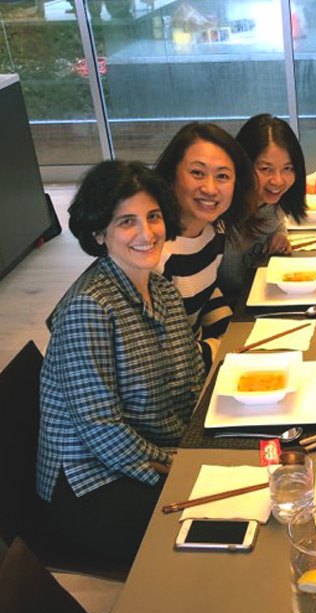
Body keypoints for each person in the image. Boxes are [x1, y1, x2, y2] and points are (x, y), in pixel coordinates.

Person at [37, 161, 204, 566]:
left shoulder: (161, 290)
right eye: (126, 222)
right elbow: (103, 431)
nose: (147, 234)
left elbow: (192, 382)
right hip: (93, 486)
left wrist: (203, 449)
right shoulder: (89, 307)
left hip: (156, 453)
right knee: (212, 530)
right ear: (99, 233)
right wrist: (181, 466)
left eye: (153, 217)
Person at [154, 122, 256, 372]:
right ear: (172, 174)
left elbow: (208, 289)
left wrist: (230, 333)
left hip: (204, 355)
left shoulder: (214, 230)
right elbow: (165, 357)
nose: (210, 189)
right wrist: (223, 346)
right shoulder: (156, 254)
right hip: (179, 378)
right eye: (197, 173)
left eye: (222, 176)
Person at [217, 114, 307, 300]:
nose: (278, 180)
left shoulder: (273, 203)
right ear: (243, 164)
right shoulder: (220, 216)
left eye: (287, 168)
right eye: (266, 169)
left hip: (261, 298)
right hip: (231, 313)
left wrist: (280, 234)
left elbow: (277, 221)